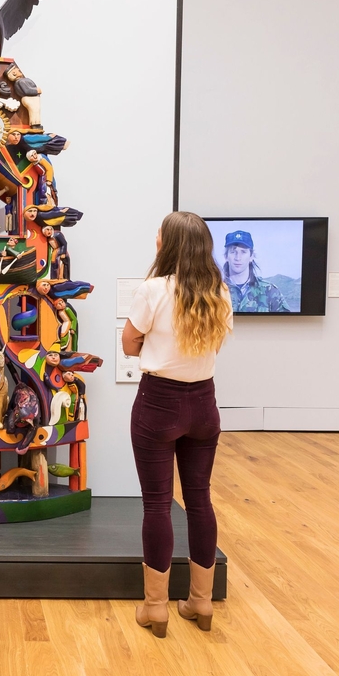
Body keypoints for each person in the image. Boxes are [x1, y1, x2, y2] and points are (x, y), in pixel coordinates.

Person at [122, 211, 233, 639]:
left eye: (160, 233)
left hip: (158, 403)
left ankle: (155, 608)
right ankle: (201, 601)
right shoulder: (220, 291)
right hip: (204, 404)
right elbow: (214, 345)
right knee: (200, 500)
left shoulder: (153, 289)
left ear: (166, 244)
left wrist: (153, 346)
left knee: (157, 504)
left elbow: (129, 343)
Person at [221, 230, 290, 312]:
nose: (238, 258)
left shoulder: (270, 291)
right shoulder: (214, 291)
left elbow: (286, 320)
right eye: (233, 252)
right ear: (226, 256)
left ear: (251, 256)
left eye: (243, 252)